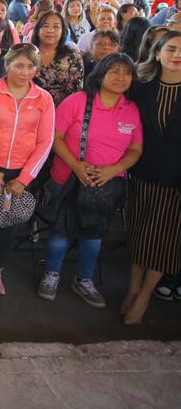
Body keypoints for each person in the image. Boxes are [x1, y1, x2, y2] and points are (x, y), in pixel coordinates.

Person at [37, 54, 142, 309]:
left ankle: (84, 278)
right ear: (101, 74)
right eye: (114, 71)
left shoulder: (131, 109)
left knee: (94, 235)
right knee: (61, 232)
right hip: (69, 177)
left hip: (106, 184)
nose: (120, 77)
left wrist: (112, 170)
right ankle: (51, 274)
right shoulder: (78, 101)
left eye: (126, 73)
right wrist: (76, 166)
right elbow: (56, 137)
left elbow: (135, 150)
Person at [0, 44, 54, 295]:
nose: (25, 71)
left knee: (8, 224)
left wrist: (24, 179)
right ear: (7, 65)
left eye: (30, 66)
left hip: (19, 174)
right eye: (18, 65)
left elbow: (45, 142)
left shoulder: (43, 99)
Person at [123, 31, 181, 325]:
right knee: (140, 229)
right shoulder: (142, 87)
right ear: (157, 53)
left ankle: (145, 294)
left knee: (165, 238)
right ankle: (133, 287)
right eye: (170, 49)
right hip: (143, 171)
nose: (176, 55)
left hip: (176, 179)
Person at [31, 11, 84, 106]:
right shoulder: (28, 52)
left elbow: (76, 88)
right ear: (38, 30)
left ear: (62, 31)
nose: (50, 30)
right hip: (29, 108)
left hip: (63, 110)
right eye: (45, 26)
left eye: (56, 27)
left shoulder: (71, 53)